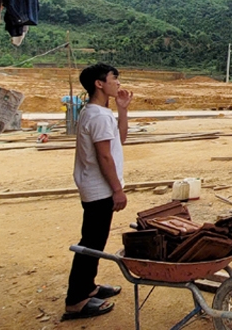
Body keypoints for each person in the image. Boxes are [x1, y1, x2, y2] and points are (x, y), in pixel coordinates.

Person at [62, 63, 132, 321]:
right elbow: (104, 157)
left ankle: (88, 287)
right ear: (99, 83)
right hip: (100, 189)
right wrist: (117, 190)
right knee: (91, 244)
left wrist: (123, 110)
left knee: (94, 241)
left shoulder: (97, 112)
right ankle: (76, 301)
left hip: (96, 188)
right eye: (114, 78)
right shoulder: (99, 116)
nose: (118, 83)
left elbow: (119, 141)